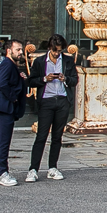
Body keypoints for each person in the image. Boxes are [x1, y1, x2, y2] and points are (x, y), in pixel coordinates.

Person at [25, 34, 76, 183]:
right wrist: (44, 79)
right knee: (41, 136)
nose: (57, 53)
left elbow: (74, 80)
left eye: (59, 51)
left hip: (62, 100)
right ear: (49, 48)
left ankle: (52, 168)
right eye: (55, 51)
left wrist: (65, 78)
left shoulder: (67, 61)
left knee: (57, 137)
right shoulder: (40, 61)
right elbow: (31, 81)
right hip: (46, 101)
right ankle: (33, 169)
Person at [0, 39, 29, 187]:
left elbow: (8, 82)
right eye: (17, 50)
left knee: (1, 142)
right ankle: (2, 173)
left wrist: (20, 79)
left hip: (2, 109)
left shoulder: (11, 65)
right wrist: (13, 98)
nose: (20, 52)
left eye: (21, 49)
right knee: (3, 142)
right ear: (8, 51)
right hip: (2, 109)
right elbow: (2, 83)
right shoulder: (7, 64)